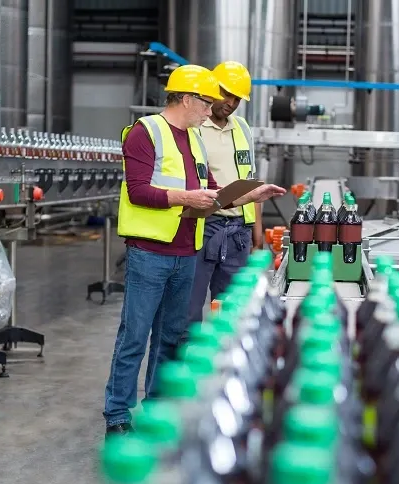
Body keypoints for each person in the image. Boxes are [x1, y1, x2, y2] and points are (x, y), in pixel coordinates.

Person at [104, 64, 285, 435]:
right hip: (150, 252)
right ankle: (118, 415)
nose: (210, 110)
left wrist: (252, 194)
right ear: (186, 99)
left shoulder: (194, 138)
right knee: (135, 336)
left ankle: (158, 406)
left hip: (187, 249)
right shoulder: (145, 133)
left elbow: (215, 192)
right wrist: (184, 196)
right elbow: (137, 190)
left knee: (171, 335)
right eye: (205, 103)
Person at [187, 61, 269, 325]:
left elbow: (251, 183)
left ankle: (223, 361)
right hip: (204, 226)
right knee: (191, 305)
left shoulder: (242, 128)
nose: (231, 103)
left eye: (237, 99)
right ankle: (191, 361)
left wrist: (258, 235)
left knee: (230, 307)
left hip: (238, 233)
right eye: (227, 94)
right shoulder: (194, 126)